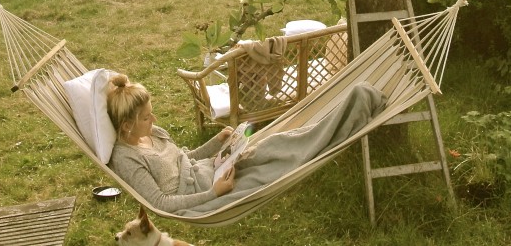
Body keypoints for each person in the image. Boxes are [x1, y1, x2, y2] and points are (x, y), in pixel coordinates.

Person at [106, 73, 386, 216]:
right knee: (284, 161)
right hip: (206, 190)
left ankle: (352, 107)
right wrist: (214, 193)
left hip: (212, 170)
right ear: (127, 126)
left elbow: (184, 159)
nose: (154, 119)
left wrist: (217, 143)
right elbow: (161, 203)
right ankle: (355, 107)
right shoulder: (126, 158)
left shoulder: (155, 132)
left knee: (276, 144)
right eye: (146, 118)